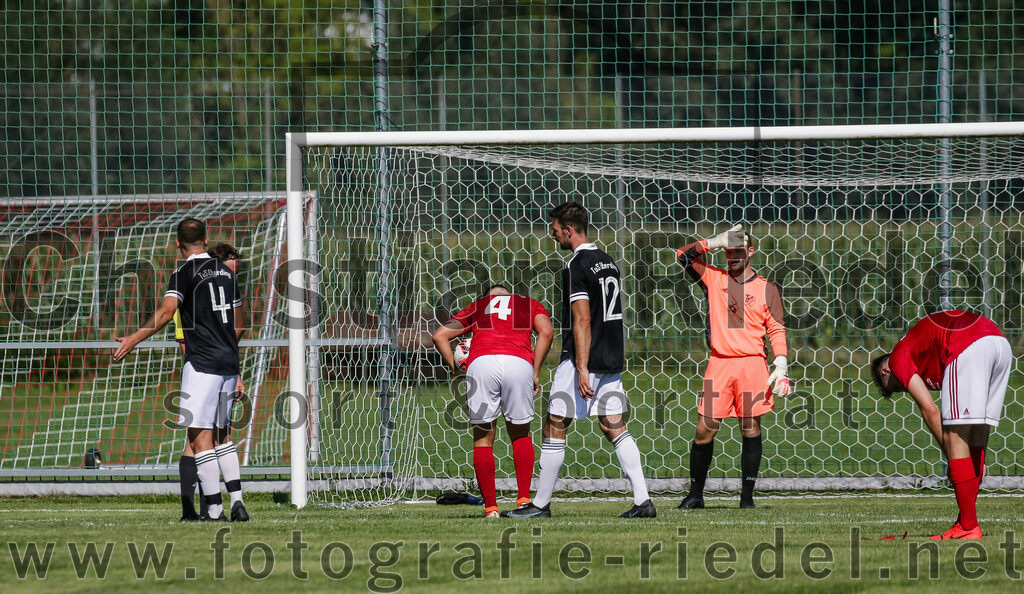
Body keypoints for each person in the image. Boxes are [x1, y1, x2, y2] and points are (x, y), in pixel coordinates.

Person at [507, 202, 655, 518]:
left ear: (568, 230)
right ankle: (643, 501)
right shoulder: (608, 261)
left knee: (555, 423)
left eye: (555, 230)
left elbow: (582, 319)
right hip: (610, 355)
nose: (553, 235)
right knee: (614, 425)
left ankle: (540, 504)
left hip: (582, 357)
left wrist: (582, 368)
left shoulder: (577, 264)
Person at [114, 219, 247, 522]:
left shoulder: (184, 273)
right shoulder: (226, 272)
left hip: (202, 364)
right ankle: (237, 502)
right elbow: (240, 323)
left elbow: (165, 312)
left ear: (177, 243)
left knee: (199, 438)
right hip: (229, 364)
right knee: (223, 435)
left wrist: (133, 339)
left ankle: (214, 510)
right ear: (206, 239)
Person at [675, 224, 790, 509]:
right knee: (704, 430)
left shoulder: (767, 289)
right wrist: (713, 242)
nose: (733, 256)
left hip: (752, 366)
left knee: (750, 428)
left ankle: (746, 499)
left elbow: (776, 329)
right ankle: (695, 496)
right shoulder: (714, 279)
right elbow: (682, 255)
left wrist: (781, 364)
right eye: (728, 251)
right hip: (720, 365)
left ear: (751, 251)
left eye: (738, 250)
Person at [871, 310, 1011, 540]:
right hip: (999, 344)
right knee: (973, 434)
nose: (905, 387)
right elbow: (978, 429)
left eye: (896, 386)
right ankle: (965, 522)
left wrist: (950, 452)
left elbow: (930, 409)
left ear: (886, 371)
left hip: (967, 343)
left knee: (955, 438)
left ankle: (968, 526)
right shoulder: (923, 355)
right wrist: (977, 457)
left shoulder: (898, 358)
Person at [433, 284, 554, 518]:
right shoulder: (529, 303)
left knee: (483, 439)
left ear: (488, 298)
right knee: (520, 435)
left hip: (482, 362)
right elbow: (547, 333)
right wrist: (535, 371)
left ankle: (491, 509)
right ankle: (524, 501)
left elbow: (440, 335)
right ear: (509, 295)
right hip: (519, 362)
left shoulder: (479, 306)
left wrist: (457, 371)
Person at [176, 243, 248, 522]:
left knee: (202, 440)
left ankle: (210, 509)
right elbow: (186, 337)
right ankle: (203, 507)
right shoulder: (196, 288)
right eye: (228, 267)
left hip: (207, 369)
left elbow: (234, 328)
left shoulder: (210, 282)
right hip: (217, 365)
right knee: (210, 439)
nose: (229, 274)